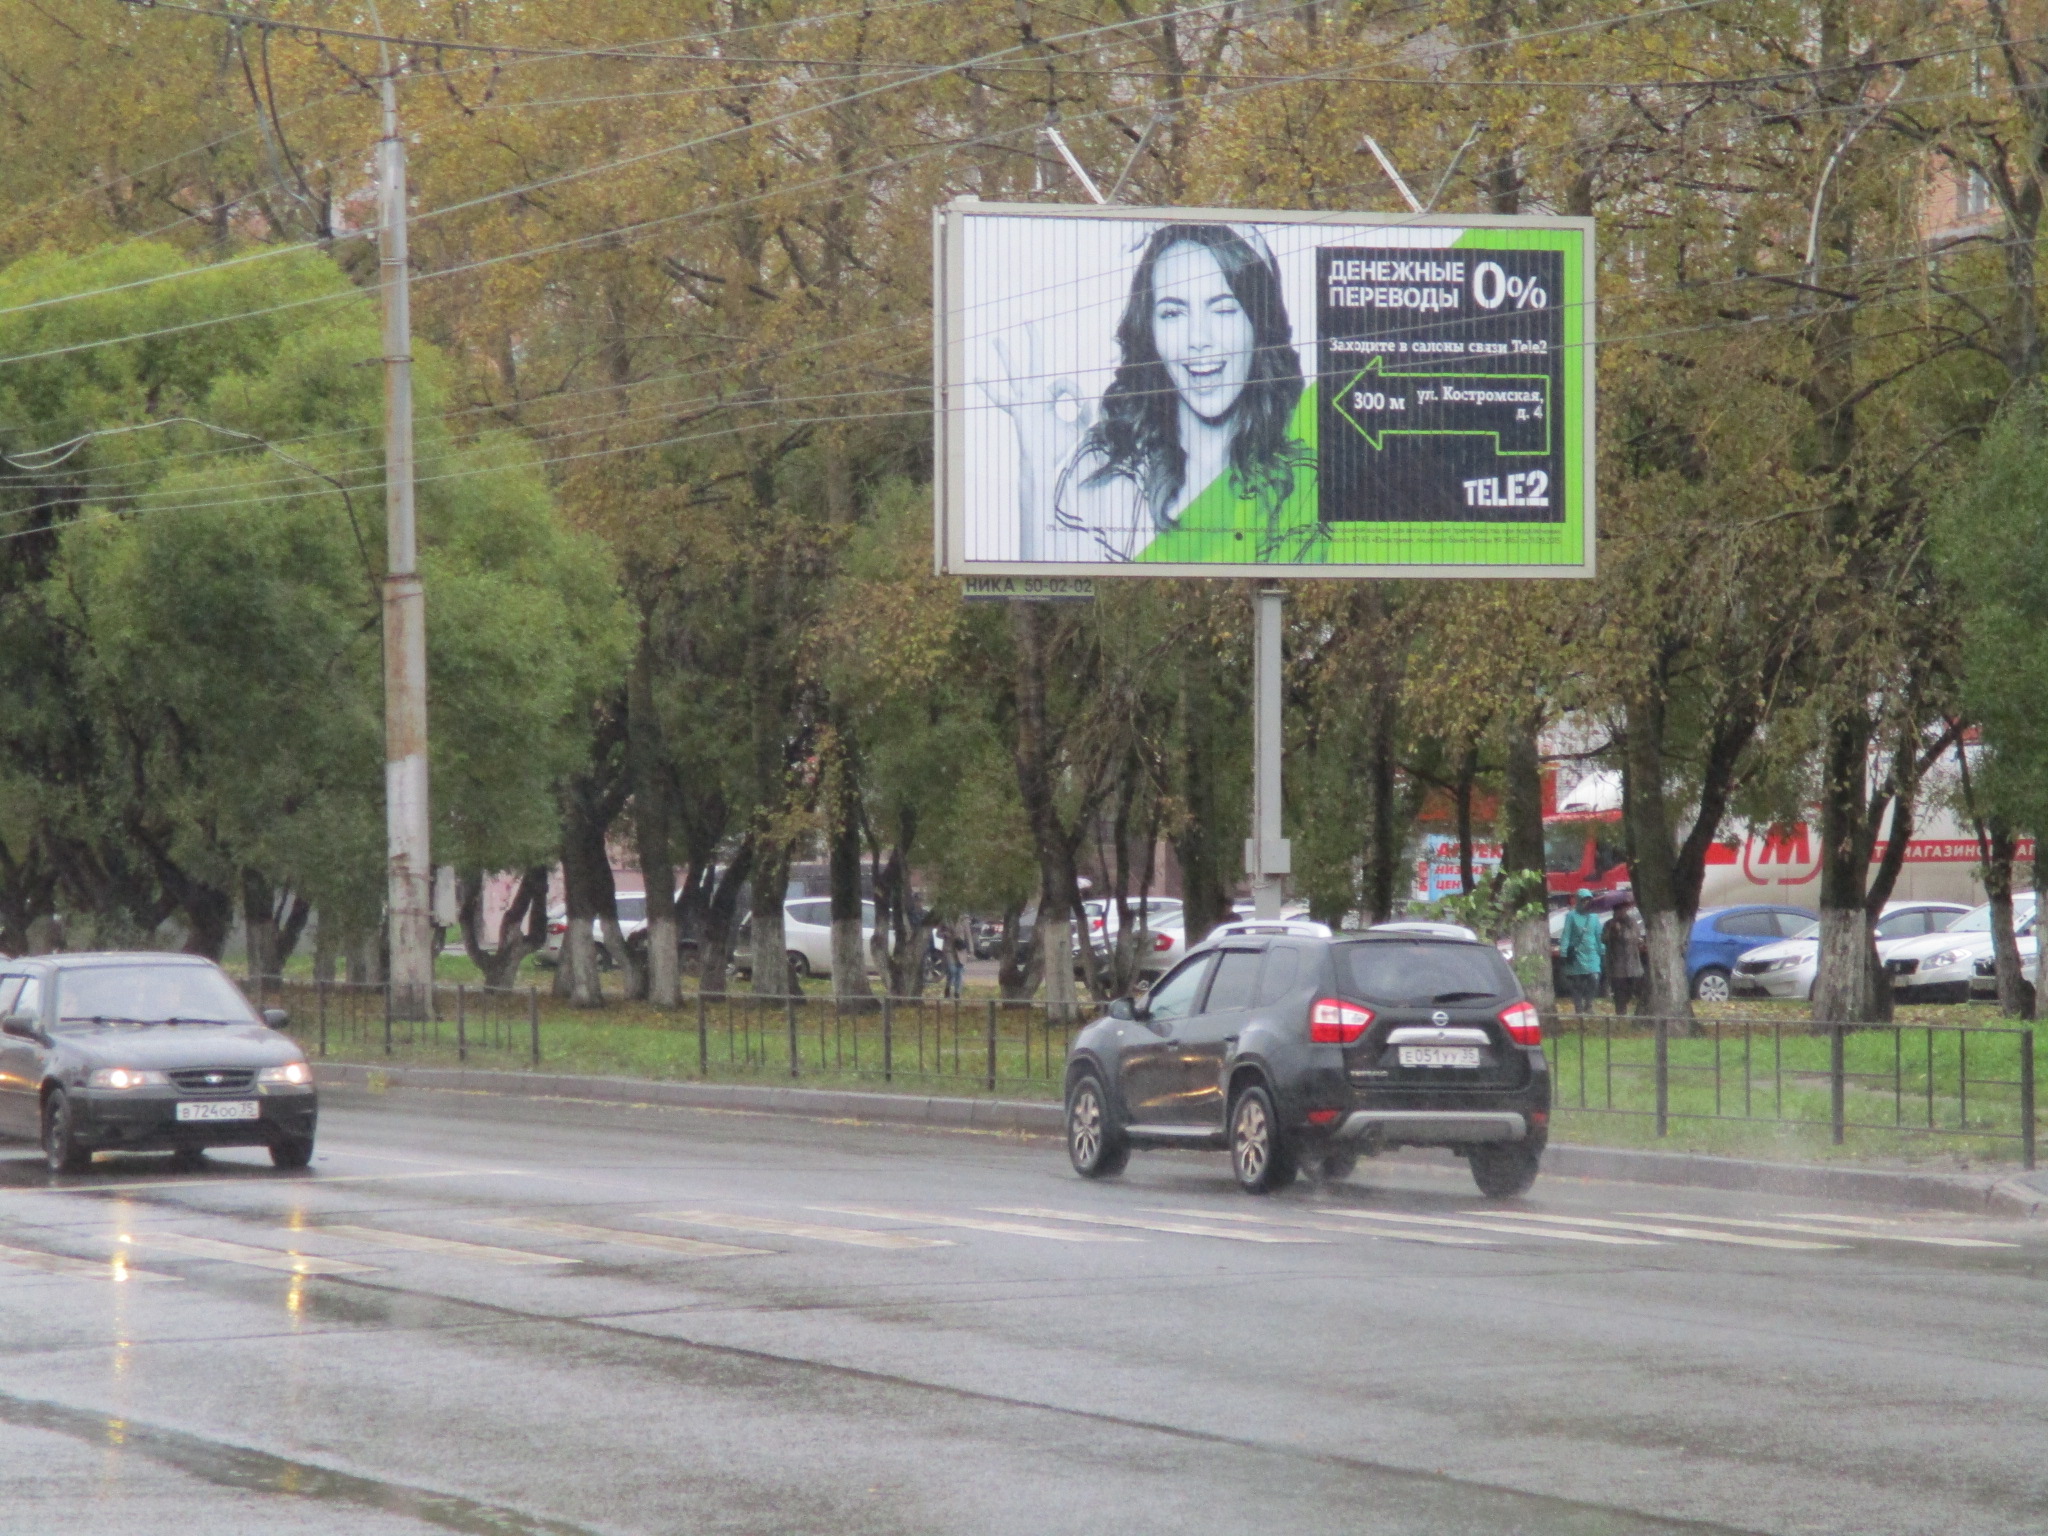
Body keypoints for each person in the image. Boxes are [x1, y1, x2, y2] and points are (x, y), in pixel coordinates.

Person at [984, 223, 1311, 563]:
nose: (1198, 338)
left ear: (1259, 326)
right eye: (1173, 312)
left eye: (1224, 308)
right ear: (1149, 331)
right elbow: (1046, 604)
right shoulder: (1106, 469)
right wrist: (1035, 467)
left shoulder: (1304, 480)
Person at [1557, 888, 1604, 1017]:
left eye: (1588, 900)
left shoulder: (1594, 917)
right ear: (1578, 901)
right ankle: (1578, 1007)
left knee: (1594, 978)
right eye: (1583, 900)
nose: (1586, 903)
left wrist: (1602, 950)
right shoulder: (1571, 916)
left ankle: (1589, 1004)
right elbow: (1566, 935)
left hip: (1592, 953)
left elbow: (1598, 935)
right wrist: (1563, 952)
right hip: (1577, 954)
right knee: (1577, 983)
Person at [1602, 897, 1647, 1015]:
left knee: (1634, 990)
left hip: (1633, 965)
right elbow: (1604, 940)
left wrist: (1621, 931)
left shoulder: (1631, 923)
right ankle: (1621, 1013)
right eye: (1617, 911)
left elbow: (1633, 938)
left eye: (1622, 910)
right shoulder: (1609, 924)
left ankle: (1636, 1013)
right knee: (1619, 993)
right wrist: (1612, 931)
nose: (1620, 913)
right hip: (1617, 966)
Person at [941, 918, 968, 1000]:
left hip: (960, 949)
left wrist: (971, 950)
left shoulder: (964, 919)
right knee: (952, 971)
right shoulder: (945, 918)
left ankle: (957, 993)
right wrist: (945, 934)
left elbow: (968, 935)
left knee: (959, 972)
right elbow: (938, 933)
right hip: (949, 950)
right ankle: (948, 988)